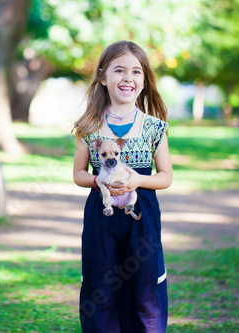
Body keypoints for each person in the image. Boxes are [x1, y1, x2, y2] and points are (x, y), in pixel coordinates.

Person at [72, 41, 172, 332]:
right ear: (103, 77)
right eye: (119, 70)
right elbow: (78, 173)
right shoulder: (88, 126)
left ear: (143, 82)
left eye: (136, 72)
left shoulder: (155, 127)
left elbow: (166, 176)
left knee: (144, 286)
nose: (128, 77)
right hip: (100, 218)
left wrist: (139, 180)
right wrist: (96, 180)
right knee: (100, 284)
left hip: (141, 218)